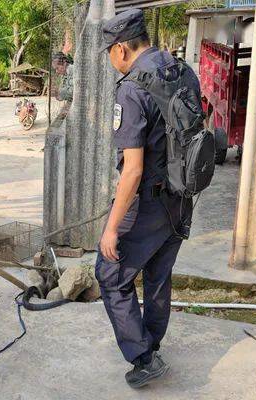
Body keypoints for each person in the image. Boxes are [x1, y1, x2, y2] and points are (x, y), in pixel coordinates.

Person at [95, 10, 197, 389]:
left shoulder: (132, 87)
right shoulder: (183, 70)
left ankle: (142, 357)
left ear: (121, 48)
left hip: (149, 204)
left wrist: (110, 228)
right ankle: (151, 345)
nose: (110, 59)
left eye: (109, 51)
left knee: (109, 273)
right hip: (181, 198)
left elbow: (133, 170)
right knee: (157, 275)